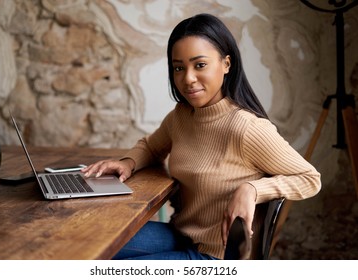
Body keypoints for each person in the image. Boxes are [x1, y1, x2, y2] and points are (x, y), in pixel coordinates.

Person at [81, 13, 321, 260]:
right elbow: (151, 147)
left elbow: (310, 178)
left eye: (200, 65)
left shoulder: (246, 127)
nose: (188, 79)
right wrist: (127, 163)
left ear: (226, 64)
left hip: (215, 257)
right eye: (178, 68)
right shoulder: (182, 116)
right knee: (87, 243)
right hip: (180, 234)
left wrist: (253, 188)